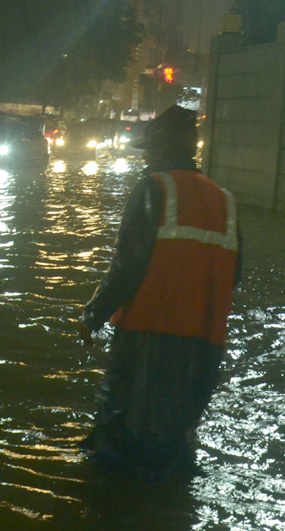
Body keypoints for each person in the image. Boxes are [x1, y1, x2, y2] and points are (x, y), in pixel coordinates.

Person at [80, 104, 242, 477]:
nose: (146, 160)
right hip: (204, 344)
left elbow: (128, 265)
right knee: (175, 440)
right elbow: (234, 275)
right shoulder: (226, 201)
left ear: (163, 150)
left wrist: (94, 314)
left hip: (148, 335)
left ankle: (111, 518)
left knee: (119, 438)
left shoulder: (154, 189)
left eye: (150, 151)